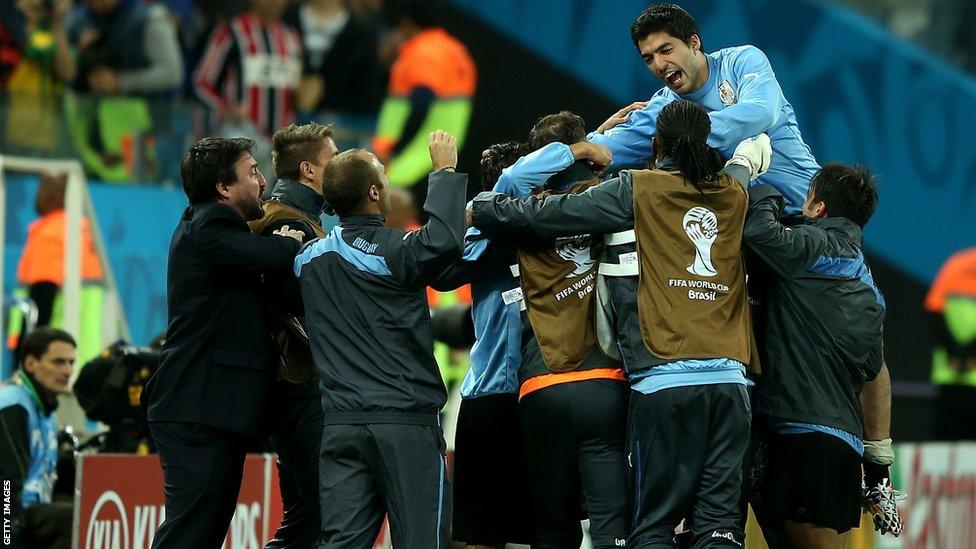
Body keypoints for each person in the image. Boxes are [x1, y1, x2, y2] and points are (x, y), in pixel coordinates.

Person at [471, 101, 772, 547]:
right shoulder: (732, 192)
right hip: (732, 384)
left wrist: (487, 209)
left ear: (655, 144)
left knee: (653, 528)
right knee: (721, 527)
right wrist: (748, 152)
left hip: (662, 383)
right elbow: (751, 156)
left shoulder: (638, 189)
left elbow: (548, 214)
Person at [294, 130, 465, 548]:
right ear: (374, 192)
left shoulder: (306, 261)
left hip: (340, 427)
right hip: (403, 423)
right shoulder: (393, 252)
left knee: (340, 543)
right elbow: (441, 243)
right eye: (385, 182)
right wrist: (443, 172)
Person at [142, 137, 304, 548]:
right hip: (198, 408)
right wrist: (287, 242)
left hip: (209, 410)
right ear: (223, 187)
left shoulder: (204, 223)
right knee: (192, 532)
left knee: (204, 530)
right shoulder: (212, 224)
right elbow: (263, 255)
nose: (262, 182)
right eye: (252, 172)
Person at [741, 164, 900, 545]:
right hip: (835, 444)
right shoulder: (866, 284)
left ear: (817, 207)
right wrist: (877, 465)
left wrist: (765, 192)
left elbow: (759, 232)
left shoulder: (819, 248)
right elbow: (876, 373)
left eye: (808, 194)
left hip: (804, 440)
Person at [589, 3, 819, 214]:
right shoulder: (663, 110)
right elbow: (596, 154)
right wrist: (596, 136)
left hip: (813, 210)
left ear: (694, 43)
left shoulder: (741, 62)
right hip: (757, 232)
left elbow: (762, 111)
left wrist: (684, 135)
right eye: (648, 59)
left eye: (666, 50)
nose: (659, 65)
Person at [247, 122, 339, 549]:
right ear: (309, 170)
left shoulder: (290, 218)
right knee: (329, 514)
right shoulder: (289, 226)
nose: (339, 168)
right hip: (300, 387)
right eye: (332, 160)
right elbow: (293, 309)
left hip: (293, 385)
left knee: (306, 520)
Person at [372, 0, 476, 205]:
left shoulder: (423, 53)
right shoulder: (457, 52)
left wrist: (394, 151)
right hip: (439, 158)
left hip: (406, 163)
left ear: (407, 22)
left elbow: (421, 104)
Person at [7, 172, 104, 366]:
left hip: (51, 361)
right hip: (80, 358)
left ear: (57, 194)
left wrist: (28, 358)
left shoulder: (51, 233)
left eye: (43, 188)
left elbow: (41, 301)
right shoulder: (80, 230)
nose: (38, 194)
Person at [0, 327, 77, 549]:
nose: (67, 370)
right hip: (12, 517)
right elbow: (6, 482)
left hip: (32, 512)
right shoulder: (13, 406)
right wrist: (8, 538)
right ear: (31, 363)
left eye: (71, 362)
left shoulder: (47, 410)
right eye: (58, 362)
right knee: (74, 519)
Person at [193, 0, 302, 140]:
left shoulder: (291, 37)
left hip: (281, 141)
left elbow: (295, 88)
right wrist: (226, 109)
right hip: (239, 135)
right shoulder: (232, 32)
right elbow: (202, 83)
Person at [924, 247, 976, 440]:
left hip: (949, 371)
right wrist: (969, 354)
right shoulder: (956, 264)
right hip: (953, 375)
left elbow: (934, 311)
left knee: (945, 446)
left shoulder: (956, 264)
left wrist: (955, 354)